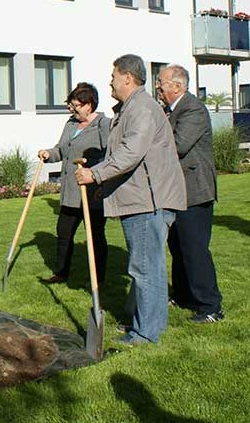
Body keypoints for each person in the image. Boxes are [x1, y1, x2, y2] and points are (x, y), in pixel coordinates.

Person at [75, 54, 186, 345]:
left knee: (145, 268)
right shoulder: (130, 109)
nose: (110, 81)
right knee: (149, 267)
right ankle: (148, 325)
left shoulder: (142, 108)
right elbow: (125, 155)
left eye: (113, 76)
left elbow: (131, 153)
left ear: (127, 77)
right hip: (142, 197)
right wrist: (104, 185)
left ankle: (146, 332)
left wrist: (94, 174)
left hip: (149, 202)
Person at [157, 64, 224, 323]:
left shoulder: (192, 109)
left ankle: (210, 306)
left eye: (161, 83)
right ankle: (184, 294)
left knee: (194, 249)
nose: (158, 87)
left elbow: (178, 145)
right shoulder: (171, 110)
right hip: (177, 190)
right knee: (178, 246)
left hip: (194, 191)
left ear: (177, 86)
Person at [38, 82, 110, 285]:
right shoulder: (71, 124)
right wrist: (48, 154)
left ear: (89, 105)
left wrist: (99, 178)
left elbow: (110, 155)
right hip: (71, 191)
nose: (73, 110)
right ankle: (61, 273)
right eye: (71, 105)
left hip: (92, 191)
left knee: (95, 235)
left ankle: (97, 279)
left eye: (76, 106)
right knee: (64, 231)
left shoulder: (103, 124)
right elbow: (61, 150)